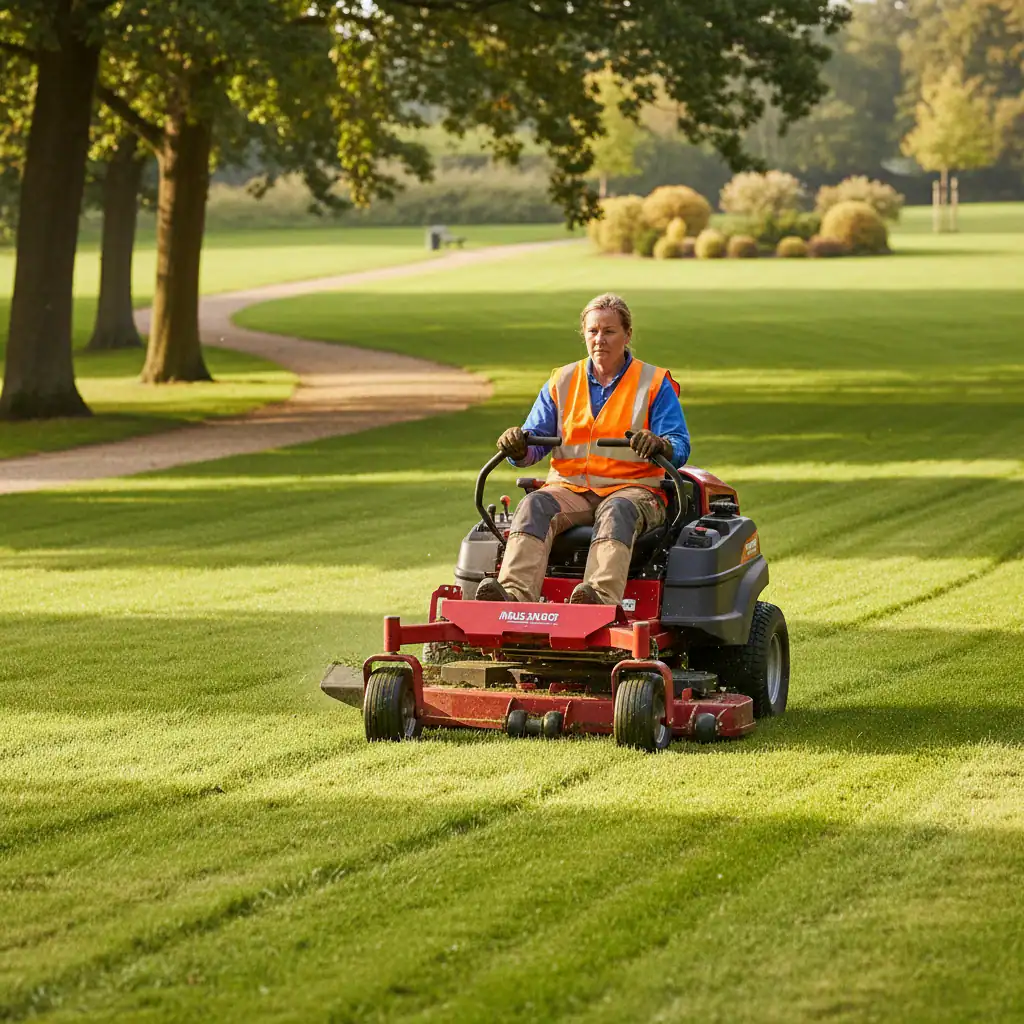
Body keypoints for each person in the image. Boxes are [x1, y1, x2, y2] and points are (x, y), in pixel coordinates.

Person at [476, 292, 690, 606]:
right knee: (534, 505)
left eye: (609, 331)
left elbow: (680, 446)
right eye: (593, 331)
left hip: (633, 490)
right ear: (584, 334)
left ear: (628, 334)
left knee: (616, 510)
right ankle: (513, 597)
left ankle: (598, 600)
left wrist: (659, 444)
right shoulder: (562, 380)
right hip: (569, 487)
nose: (599, 339)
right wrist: (517, 445)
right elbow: (533, 445)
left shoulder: (654, 382)